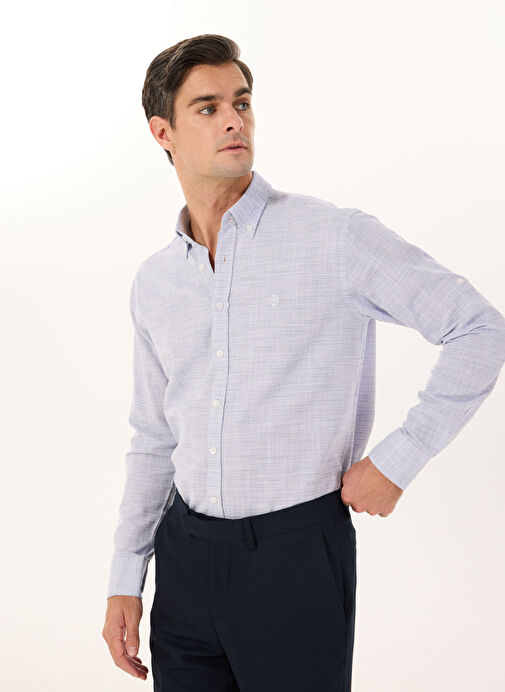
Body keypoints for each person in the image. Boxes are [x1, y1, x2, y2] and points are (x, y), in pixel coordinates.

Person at [101, 33, 505, 691]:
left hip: (295, 559)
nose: (233, 120)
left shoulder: (334, 237)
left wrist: (397, 460)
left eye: (241, 102)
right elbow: (154, 440)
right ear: (162, 132)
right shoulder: (155, 282)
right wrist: (126, 575)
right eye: (207, 107)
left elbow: (479, 329)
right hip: (185, 562)